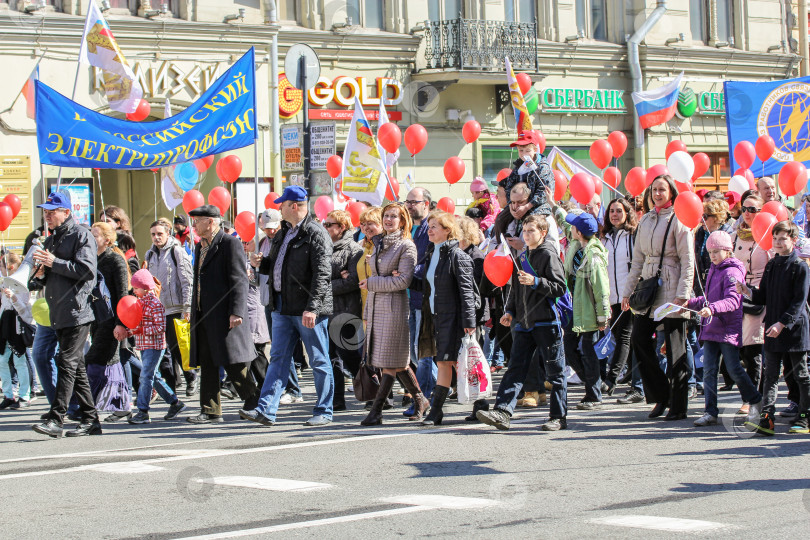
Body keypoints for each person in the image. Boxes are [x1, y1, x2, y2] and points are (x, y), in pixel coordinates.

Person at [246, 187, 334, 427]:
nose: (279, 208)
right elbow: (278, 267)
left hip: (306, 307)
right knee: (278, 358)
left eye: (281, 204)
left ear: (294, 206)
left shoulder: (315, 233)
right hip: (282, 306)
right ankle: (266, 410)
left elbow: (323, 275)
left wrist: (313, 308)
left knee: (318, 359)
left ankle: (324, 411)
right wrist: (261, 263)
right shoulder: (284, 232)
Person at [476, 214, 567, 431]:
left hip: (546, 321)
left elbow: (560, 287)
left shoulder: (548, 254)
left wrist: (536, 281)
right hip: (524, 322)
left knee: (555, 372)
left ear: (543, 233)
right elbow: (516, 290)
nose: (526, 235)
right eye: (524, 231)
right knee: (515, 368)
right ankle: (502, 411)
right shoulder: (523, 256)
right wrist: (509, 311)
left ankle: (558, 416)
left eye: (531, 231)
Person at [621, 175, 695, 422]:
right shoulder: (646, 220)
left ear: (671, 192)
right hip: (649, 288)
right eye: (654, 190)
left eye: (662, 189)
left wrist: (684, 294)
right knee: (639, 340)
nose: (658, 194)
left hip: (673, 287)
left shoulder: (679, 218)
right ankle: (663, 395)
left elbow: (688, 259)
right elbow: (638, 261)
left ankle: (679, 405)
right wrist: (627, 292)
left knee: (676, 350)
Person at [31, 191, 102, 438]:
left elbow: (86, 270)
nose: (47, 216)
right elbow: (48, 278)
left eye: (52, 211)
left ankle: (56, 418)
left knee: (66, 361)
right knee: (76, 367)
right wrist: (40, 276)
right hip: (58, 312)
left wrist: (54, 263)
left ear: (67, 212)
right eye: (46, 211)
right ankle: (91, 420)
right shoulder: (51, 240)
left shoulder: (81, 234)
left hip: (77, 311)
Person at [186, 204, 260, 424]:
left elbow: (239, 279)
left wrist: (236, 311)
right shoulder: (201, 246)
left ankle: (253, 398)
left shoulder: (230, 243)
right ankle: (210, 410)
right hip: (203, 312)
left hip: (224, 313)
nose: (194, 226)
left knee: (232, 360)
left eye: (197, 221)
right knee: (207, 361)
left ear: (211, 222)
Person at [738, 221, 810, 435]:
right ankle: (767, 418)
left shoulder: (800, 266)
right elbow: (763, 295)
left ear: (793, 241)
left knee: (801, 374)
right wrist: (747, 290)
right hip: (773, 327)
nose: (778, 243)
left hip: (794, 329)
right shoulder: (772, 264)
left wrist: (782, 323)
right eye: (775, 239)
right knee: (770, 375)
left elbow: (799, 302)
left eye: (783, 239)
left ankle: (805, 416)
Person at [359, 203, 428, 425]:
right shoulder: (379, 244)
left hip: (395, 309)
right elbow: (388, 279)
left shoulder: (406, 245)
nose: (388, 220)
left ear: (402, 220)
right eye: (386, 216)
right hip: (378, 307)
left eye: (393, 217)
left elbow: (403, 281)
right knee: (397, 362)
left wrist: (372, 282)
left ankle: (377, 410)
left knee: (390, 361)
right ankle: (420, 399)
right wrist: (368, 311)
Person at [686, 231, 763, 428]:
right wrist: (690, 303)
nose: (712, 256)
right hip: (711, 328)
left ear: (728, 251)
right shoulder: (714, 269)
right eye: (710, 251)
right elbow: (709, 298)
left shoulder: (732, 272)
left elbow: (732, 300)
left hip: (727, 327)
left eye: (717, 251)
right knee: (709, 371)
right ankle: (710, 411)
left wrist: (711, 309)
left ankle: (754, 399)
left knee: (734, 368)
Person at [411, 211, 477, 426]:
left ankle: (473, 405)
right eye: (429, 226)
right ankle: (439, 411)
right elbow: (430, 286)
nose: (429, 230)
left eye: (434, 227)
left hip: (454, 319)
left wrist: (469, 323)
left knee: (458, 363)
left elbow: (467, 293)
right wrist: (407, 281)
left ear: (447, 230)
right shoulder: (432, 253)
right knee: (444, 362)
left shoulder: (458, 256)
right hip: (436, 317)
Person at [125, 269, 187, 424]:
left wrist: (140, 330)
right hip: (144, 345)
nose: (134, 290)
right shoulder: (139, 302)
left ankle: (143, 411)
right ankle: (175, 403)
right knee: (153, 376)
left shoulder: (155, 304)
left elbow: (160, 327)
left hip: (155, 346)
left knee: (145, 377)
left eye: (136, 288)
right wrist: (132, 331)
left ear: (145, 287)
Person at [145, 218, 197, 397]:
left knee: (178, 347)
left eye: (160, 234)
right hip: (159, 308)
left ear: (168, 233)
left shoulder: (177, 251)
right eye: (153, 234)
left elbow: (187, 281)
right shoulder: (150, 255)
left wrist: (187, 307)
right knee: (163, 351)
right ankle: (171, 388)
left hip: (176, 307)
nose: (156, 238)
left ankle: (191, 376)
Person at [563, 212, 610, 410]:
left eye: (574, 227)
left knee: (589, 351)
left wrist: (602, 316)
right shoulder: (577, 244)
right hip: (577, 308)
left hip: (590, 309)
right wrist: (551, 202)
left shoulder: (594, 255)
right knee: (569, 346)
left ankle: (594, 395)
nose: (570, 228)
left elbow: (601, 288)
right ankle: (594, 383)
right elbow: (563, 222)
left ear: (579, 232)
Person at [729, 192, 770, 414]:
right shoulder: (735, 235)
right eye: (744, 208)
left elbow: (775, 266)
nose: (747, 213)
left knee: (754, 348)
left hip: (759, 296)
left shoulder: (767, 236)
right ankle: (751, 395)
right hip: (736, 295)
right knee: (740, 350)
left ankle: (754, 399)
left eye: (753, 209)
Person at [88, 222, 132, 422]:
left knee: (94, 360)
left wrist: (121, 322)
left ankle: (84, 405)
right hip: (95, 317)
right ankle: (122, 404)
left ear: (107, 240)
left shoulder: (115, 260)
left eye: (94, 235)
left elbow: (122, 293)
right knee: (113, 361)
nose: (90, 238)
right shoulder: (90, 259)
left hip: (112, 318)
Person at [323, 209, 364, 412]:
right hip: (325, 310)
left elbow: (353, 282)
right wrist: (337, 279)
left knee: (349, 357)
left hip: (346, 311)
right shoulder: (323, 246)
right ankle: (337, 398)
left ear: (342, 227)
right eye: (325, 224)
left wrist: (324, 285)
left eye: (330, 224)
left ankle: (374, 390)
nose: (326, 227)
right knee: (331, 358)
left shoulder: (353, 249)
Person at [601, 198, 642, 401]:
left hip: (630, 295)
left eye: (619, 211)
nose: (615, 215)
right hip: (612, 296)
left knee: (625, 336)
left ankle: (611, 380)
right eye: (611, 212)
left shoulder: (633, 235)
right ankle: (634, 377)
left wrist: (631, 292)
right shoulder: (605, 237)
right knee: (622, 337)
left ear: (627, 213)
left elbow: (637, 265)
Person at [405, 187, 438, 408]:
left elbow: (429, 263)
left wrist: (407, 271)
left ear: (426, 204)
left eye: (414, 202)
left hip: (426, 299)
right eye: (407, 201)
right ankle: (437, 387)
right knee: (416, 352)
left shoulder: (431, 228)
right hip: (410, 298)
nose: (409, 205)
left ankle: (426, 395)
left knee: (424, 351)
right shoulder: (410, 229)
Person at [0, 253, 33, 410]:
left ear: (10, 267)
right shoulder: (5, 283)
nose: (0, 269)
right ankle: (8, 395)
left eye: (2, 267)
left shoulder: (22, 286)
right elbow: (3, 308)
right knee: (2, 361)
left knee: (19, 361)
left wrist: (13, 298)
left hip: (16, 326)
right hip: (4, 324)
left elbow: (25, 313)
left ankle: (24, 395)